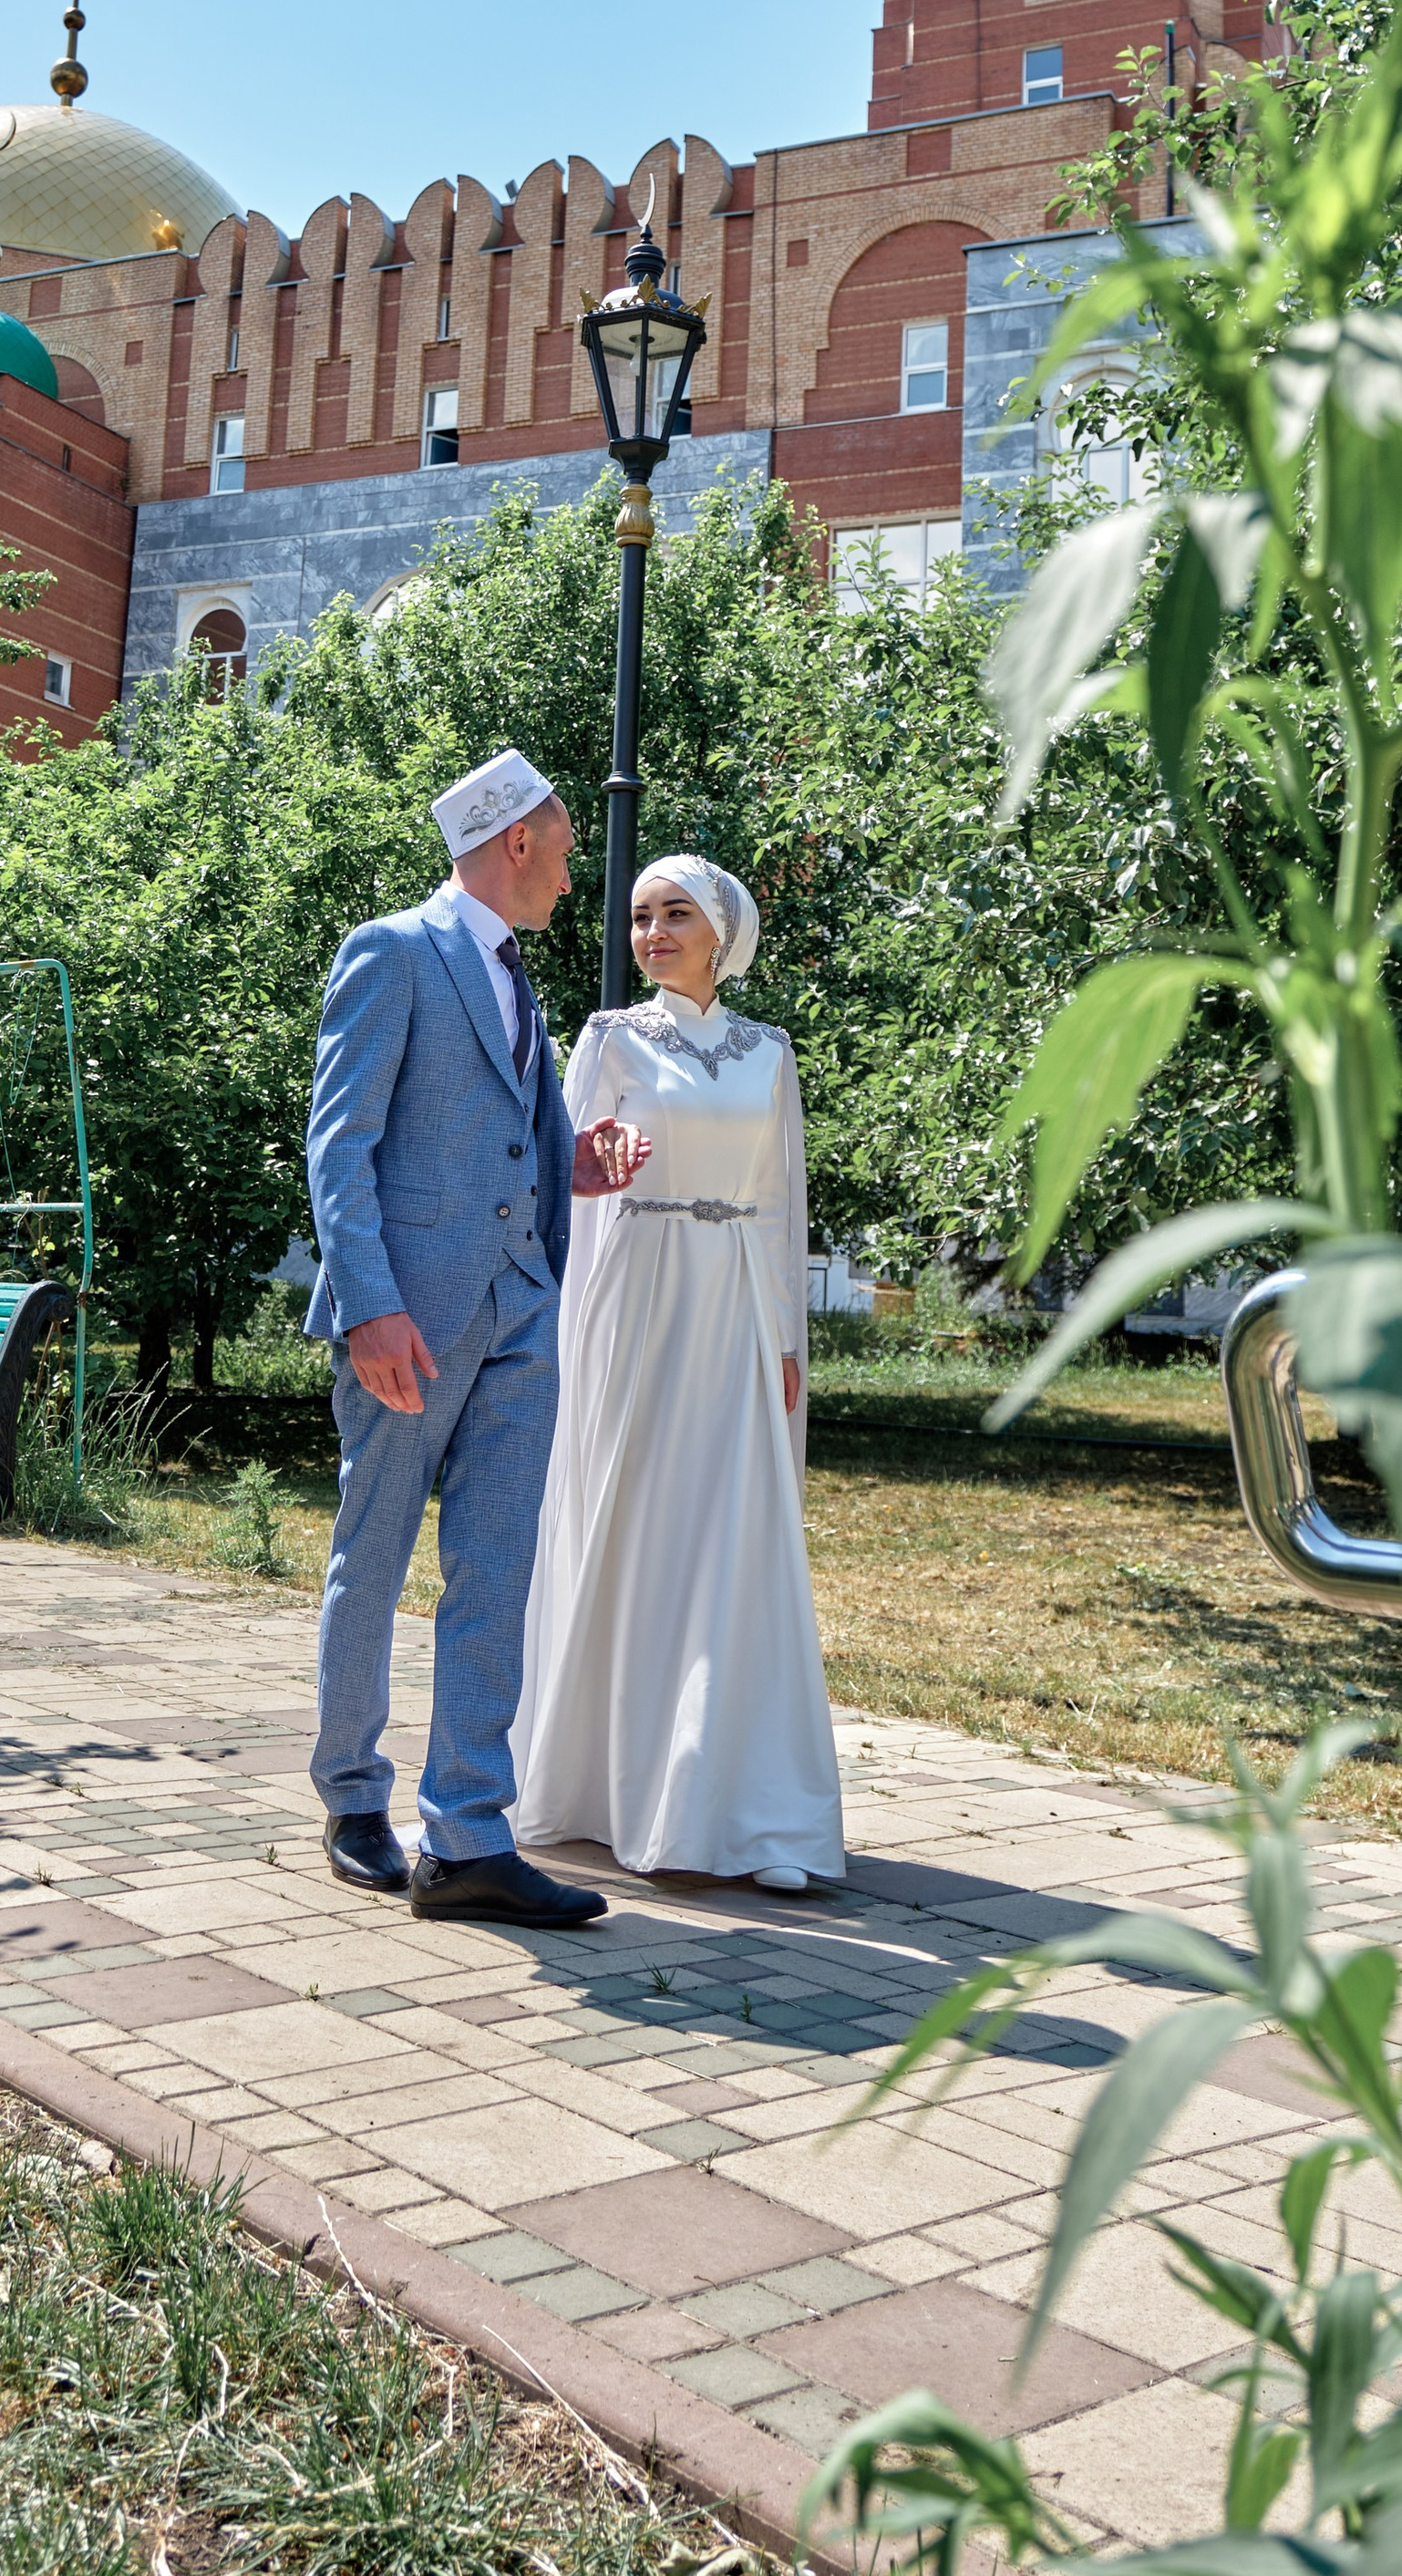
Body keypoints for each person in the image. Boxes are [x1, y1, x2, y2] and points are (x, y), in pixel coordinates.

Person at [304, 748, 650, 1926]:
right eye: (560, 850)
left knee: (495, 1575)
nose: (569, 875)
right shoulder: (394, 951)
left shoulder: (518, 981)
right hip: (409, 1319)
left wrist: (578, 1169)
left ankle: (467, 1838)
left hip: (519, 1312)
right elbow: (339, 1145)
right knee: (376, 1554)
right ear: (515, 844)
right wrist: (368, 1308)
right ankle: (353, 1798)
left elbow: (511, 1139)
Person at [513, 853, 846, 1892]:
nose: (651, 932)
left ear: (722, 934)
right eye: (640, 916)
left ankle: (745, 1810)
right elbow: (561, 1180)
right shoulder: (611, 1038)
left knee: (731, 1536)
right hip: (632, 1296)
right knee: (636, 1522)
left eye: (675, 915)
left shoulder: (771, 1055)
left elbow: (784, 1201)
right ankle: (608, 1790)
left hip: (737, 1304)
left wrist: (787, 1339)